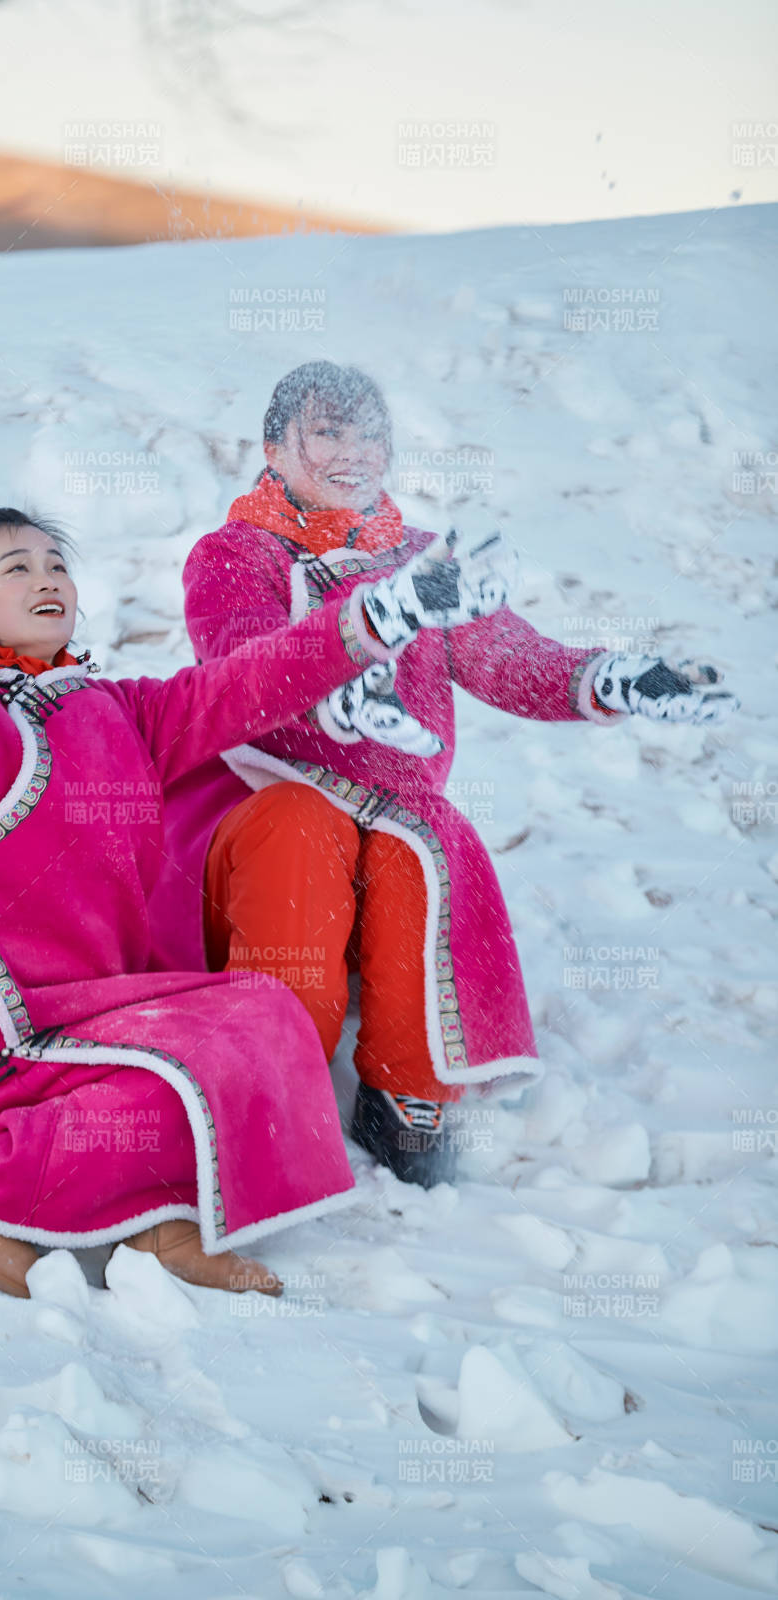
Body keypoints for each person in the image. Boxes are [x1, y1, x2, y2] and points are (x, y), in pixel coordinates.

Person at [0, 499, 503, 1298]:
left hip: (87, 1018)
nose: (46, 579)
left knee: (259, 1018)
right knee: (190, 1065)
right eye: (16, 568)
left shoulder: (117, 713)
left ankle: (162, 1227)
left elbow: (241, 685)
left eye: (56, 564)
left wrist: (379, 615)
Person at [179, 361, 737, 1188]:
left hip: (397, 802)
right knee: (303, 837)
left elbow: (509, 658)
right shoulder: (234, 553)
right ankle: (274, 1080)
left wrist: (611, 679)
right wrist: (336, 696)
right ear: (274, 447)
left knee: (429, 841)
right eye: (327, 431)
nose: (353, 451)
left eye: (369, 434)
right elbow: (239, 663)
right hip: (276, 785)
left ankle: (407, 1092)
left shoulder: (419, 560)